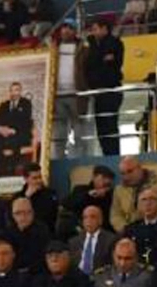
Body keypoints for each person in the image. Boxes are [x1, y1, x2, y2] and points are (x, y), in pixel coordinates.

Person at [86, 19, 125, 156]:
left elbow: (113, 63)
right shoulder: (91, 45)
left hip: (111, 89)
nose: (93, 32)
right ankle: (106, 154)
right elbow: (90, 65)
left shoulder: (115, 43)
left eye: (95, 29)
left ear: (104, 29)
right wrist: (101, 59)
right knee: (101, 127)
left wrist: (99, 61)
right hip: (97, 91)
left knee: (110, 125)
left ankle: (113, 155)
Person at [51, 23, 89, 159]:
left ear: (74, 32)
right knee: (58, 133)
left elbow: (88, 69)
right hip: (57, 96)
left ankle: (80, 159)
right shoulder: (53, 48)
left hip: (77, 94)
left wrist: (85, 86)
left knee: (79, 130)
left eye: (69, 30)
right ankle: (58, 159)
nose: (66, 33)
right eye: (63, 31)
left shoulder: (83, 48)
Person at [110, 156, 157, 233]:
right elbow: (115, 215)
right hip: (128, 232)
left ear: (140, 168)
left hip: (156, 231)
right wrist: (127, 229)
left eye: (130, 171)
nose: (126, 177)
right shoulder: (119, 190)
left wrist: (149, 228)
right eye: (123, 173)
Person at [0, 82, 35, 178]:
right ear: (10, 92)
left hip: (19, 133)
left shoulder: (26, 104)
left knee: (14, 141)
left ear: (20, 91)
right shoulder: (4, 105)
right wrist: (0, 129)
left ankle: (11, 168)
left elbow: (26, 122)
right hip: (4, 135)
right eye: (12, 90)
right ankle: (2, 168)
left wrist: (13, 131)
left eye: (16, 90)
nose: (14, 93)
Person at [123, 187, 157, 266]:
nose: (148, 203)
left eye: (152, 199)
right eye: (144, 200)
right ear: (138, 205)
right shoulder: (130, 230)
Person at [7, 197, 52, 274]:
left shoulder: (42, 230)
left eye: (27, 212)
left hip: (37, 273)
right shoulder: (8, 232)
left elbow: (43, 257)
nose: (23, 216)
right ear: (12, 215)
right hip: (13, 273)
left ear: (32, 213)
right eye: (18, 213)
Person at [65, 166, 115, 233]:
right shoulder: (80, 189)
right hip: (81, 227)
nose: (105, 182)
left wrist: (106, 195)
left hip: (103, 230)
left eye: (108, 182)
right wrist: (89, 195)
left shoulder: (111, 195)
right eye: (103, 178)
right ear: (94, 177)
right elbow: (67, 203)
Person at [69, 205, 118, 275]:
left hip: (100, 277)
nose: (88, 221)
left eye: (92, 217)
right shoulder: (73, 241)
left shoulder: (111, 240)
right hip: (77, 277)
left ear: (100, 220)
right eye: (85, 217)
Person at [17, 164, 57, 231]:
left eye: (40, 177)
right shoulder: (19, 197)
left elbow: (49, 216)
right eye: (35, 178)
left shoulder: (50, 194)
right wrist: (27, 197)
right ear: (26, 179)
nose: (39, 181)